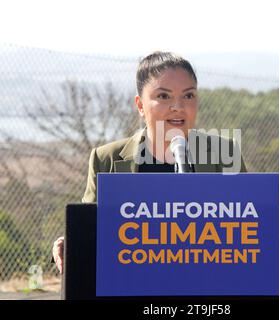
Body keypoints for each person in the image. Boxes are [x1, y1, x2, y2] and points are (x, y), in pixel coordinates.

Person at [52, 51, 247, 273]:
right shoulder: (107, 160)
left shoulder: (224, 154)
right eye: (164, 96)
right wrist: (71, 243)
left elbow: (250, 230)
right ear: (140, 105)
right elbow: (90, 229)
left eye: (188, 95)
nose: (178, 106)